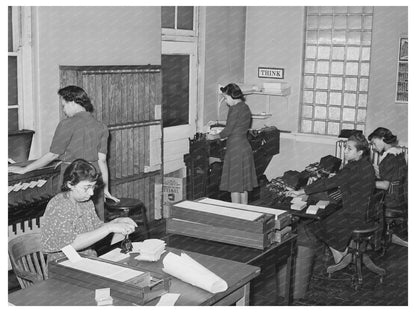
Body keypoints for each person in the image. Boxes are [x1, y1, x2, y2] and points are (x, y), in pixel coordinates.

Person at [8, 85, 119, 219]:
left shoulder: (66, 124)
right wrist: (105, 188)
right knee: (94, 220)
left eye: (63, 106)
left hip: (73, 176)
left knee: (70, 219)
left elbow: (53, 154)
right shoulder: (101, 126)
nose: (64, 110)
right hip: (94, 178)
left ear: (72, 102)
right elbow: (102, 160)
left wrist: (25, 169)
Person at [290, 132, 375, 265]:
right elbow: (348, 181)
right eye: (345, 148)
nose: (345, 151)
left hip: (353, 215)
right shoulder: (367, 165)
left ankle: (339, 250)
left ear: (360, 152)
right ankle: (339, 250)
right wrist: (338, 179)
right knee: (325, 211)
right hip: (364, 212)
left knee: (312, 220)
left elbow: (328, 183)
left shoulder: (352, 168)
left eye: (349, 149)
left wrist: (300, 192)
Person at [41, 159, 137, 262]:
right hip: (63, 265)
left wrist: (116, 222)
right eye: (86, 188)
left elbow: (96, 228)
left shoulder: (86, 203)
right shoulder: (59, 206)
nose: (91, 193)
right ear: (70, 184)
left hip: (87, 259)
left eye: (93, 187)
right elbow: (70, 244)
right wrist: (109, 228)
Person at [206, 83, 258, 204]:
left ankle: (235, 214)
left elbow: (228, 130)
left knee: (235, 185)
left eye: (225, 97)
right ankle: (244, 212)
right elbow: (236, 127)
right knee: (243, 185)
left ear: (231, 96)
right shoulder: (245, 107)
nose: (225, 101)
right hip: (244, 146)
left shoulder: (234, 108)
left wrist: (212, 136)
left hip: (235, 149)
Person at [368, 127, 408, 247]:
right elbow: (393, 176)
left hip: (391, 199)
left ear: (382, 139)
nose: (373, 148)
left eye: (374, 143)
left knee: (366, 205)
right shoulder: (398, 153)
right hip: (399, 196)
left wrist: (365, 182)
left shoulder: (390, 157)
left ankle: (373, 241)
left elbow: (386, 185)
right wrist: (377, 172)